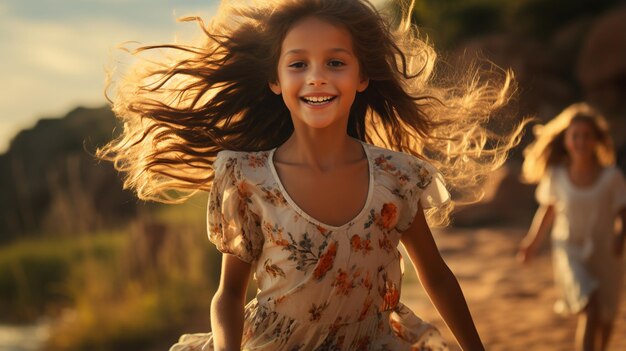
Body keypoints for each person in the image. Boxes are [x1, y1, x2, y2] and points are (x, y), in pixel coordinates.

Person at [98, 0, 526, 349]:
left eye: (335, 63)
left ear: (361, 77)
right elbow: (229, 295)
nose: (317, 77)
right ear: (275, 80)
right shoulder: (245, 178)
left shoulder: (400, 176)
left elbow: (435, 274)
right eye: (298, 64)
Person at [518, 103, 626, 351]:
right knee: (590, 305)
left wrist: (620, 236)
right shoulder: (557, 176)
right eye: (575, 136)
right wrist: (531, 243)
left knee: (606, 315)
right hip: (569, 250)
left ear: (596, 140)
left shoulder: (612, 177)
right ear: (566, 140)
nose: (581, 141)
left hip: (606, 253)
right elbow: (548, 210)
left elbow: (623, 211)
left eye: (587, 136)